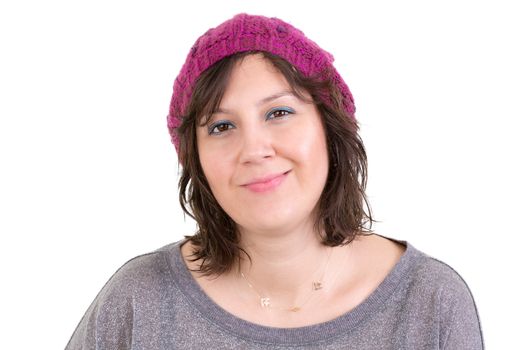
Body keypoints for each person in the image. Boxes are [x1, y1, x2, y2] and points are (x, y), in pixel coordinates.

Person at [65, 13, 484, 349]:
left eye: (278, 113)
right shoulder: (139, 302)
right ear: (196, 160)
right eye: (222, 126)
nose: (254, 149)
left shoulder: (430, 303)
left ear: (329, 127)